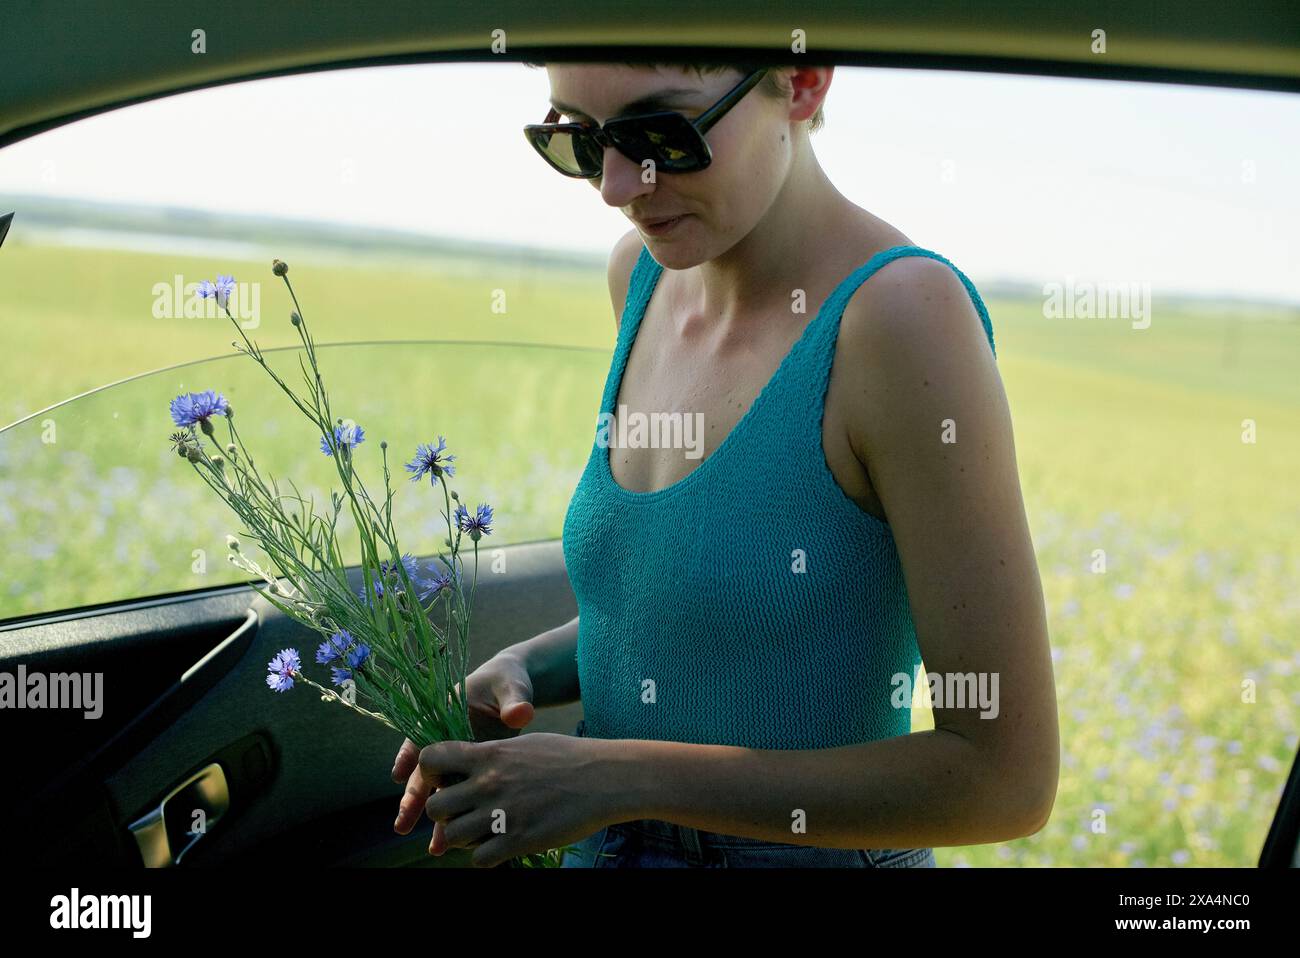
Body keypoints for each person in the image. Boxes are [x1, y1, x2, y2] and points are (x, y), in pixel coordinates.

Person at [390, 62, 1059, 868]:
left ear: (803, 83)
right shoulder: (640, 279)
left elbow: (1003, 779)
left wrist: (618, 775)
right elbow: (705, 609)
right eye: (580, 138)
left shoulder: (901, 319)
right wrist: (531, 664)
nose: (613, 185)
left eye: (658, 135)